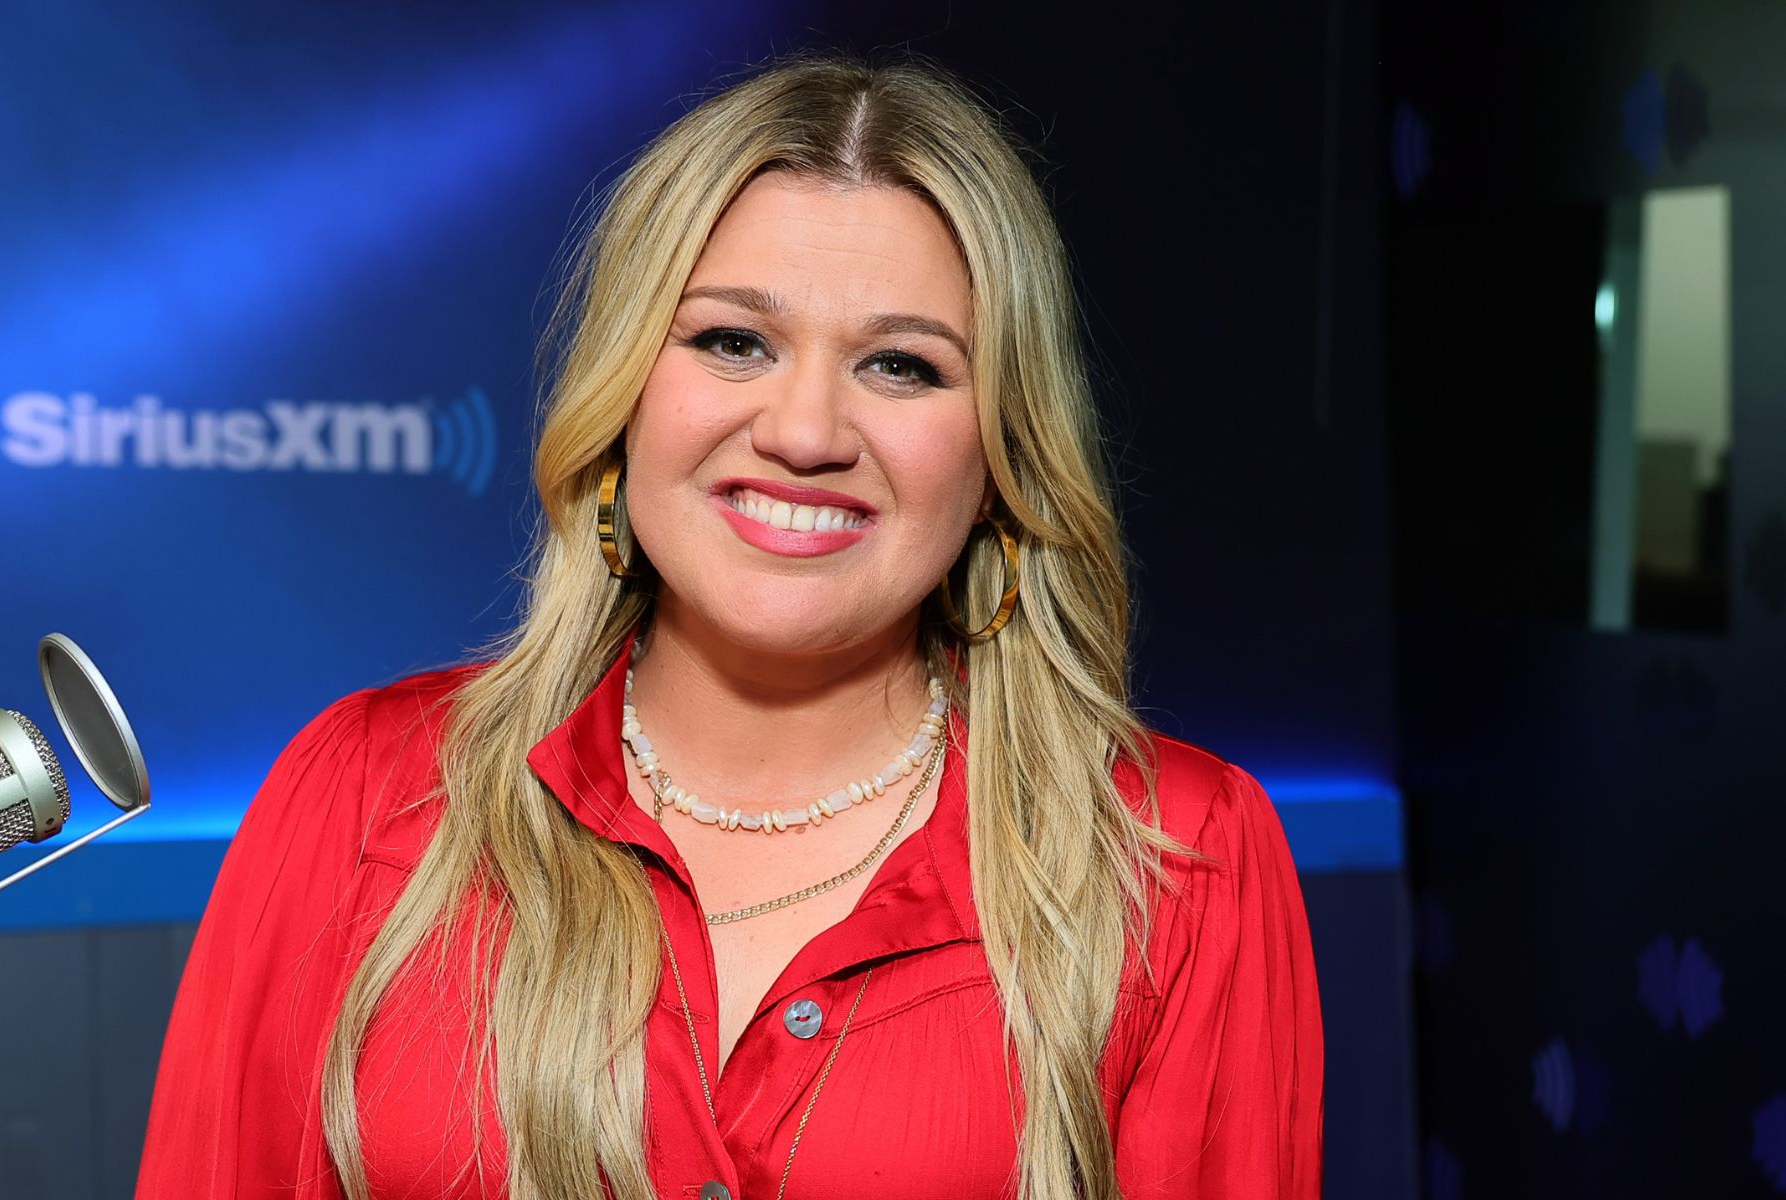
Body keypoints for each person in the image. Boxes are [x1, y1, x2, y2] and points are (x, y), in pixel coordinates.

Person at [136, 51, 1323, 1200]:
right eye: (732, 342)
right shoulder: (368, 798)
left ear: (1001, 455)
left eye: (900, 366)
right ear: (623, 397)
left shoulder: (1177, 861)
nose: (804, 431)